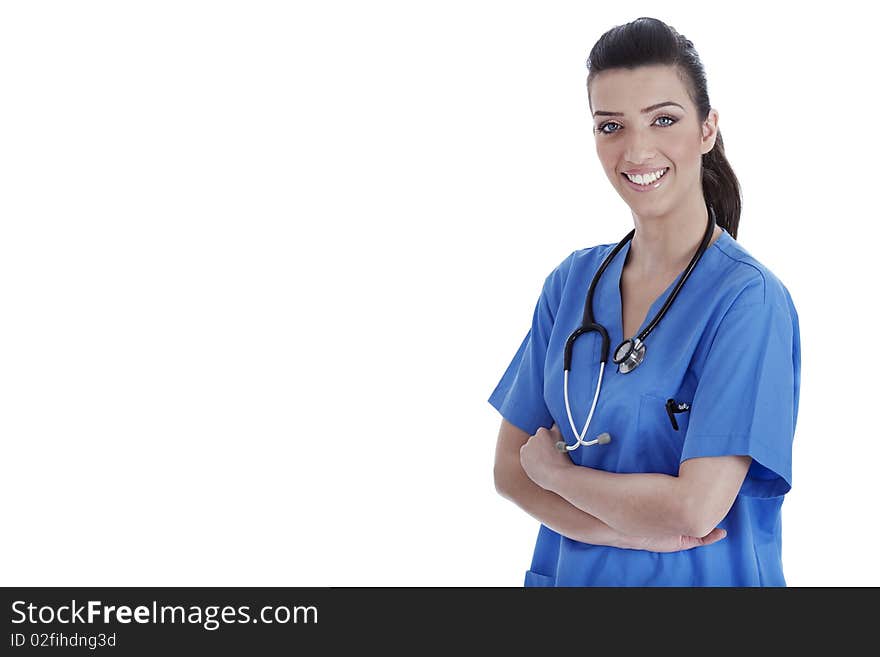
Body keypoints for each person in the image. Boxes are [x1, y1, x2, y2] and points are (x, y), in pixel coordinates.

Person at [488, 17, 801, 587]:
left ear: (707, 129)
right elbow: (510, 471)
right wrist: (621, 531)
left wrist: (557, 477)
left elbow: (695, 510)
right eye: (611, 125)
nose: (636, 149)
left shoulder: (747, 301)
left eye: (663, 119)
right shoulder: (572, 284)